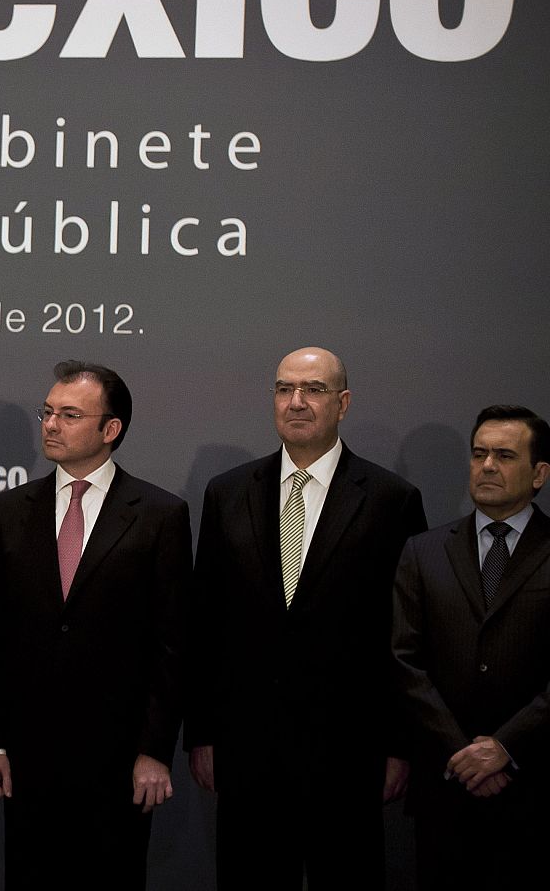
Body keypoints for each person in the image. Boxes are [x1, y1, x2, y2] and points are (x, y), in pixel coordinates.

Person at [185, 346, 427, 889]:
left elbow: (405, 636)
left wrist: (399, 745)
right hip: (247, 752)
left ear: (342, 403)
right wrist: (201, 734)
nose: (296, 402)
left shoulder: (391, 500)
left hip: (349, 754)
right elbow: (206, 622)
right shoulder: (227, 493)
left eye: (313, 390)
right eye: (284, 389)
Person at [0, 361, 191, 888]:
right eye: (47, 412)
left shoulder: (161, 514)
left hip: (119, 763)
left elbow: (173, 646)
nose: (49, 424)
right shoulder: (8, 511)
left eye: (69, 415)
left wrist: (154, 750)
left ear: (110, 429)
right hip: (27, 760)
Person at [392, 404, 550, 890]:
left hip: (536, 788)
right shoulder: (424, 550)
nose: (486, 466)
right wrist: (463, 752)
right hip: (446, 786)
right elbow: (403, 660)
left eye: (504, 455)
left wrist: (505, 746)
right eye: (479, 454)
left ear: (539, 473)